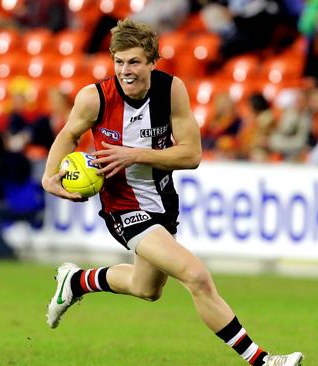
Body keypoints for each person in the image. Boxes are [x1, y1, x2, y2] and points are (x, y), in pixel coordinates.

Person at [42, 19, 303, 366]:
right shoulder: (94, 98)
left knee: (146, 288)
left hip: (163, 203)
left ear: (152, 61)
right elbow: (69, 134)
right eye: (119, 62)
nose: (125, 71)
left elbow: (191, 155)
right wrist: (49, 177)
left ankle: (76, 281)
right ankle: (264, 361)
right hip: (123, 206)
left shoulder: (171, 90)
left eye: (134, 62)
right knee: (195, 275)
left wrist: (135, 154)